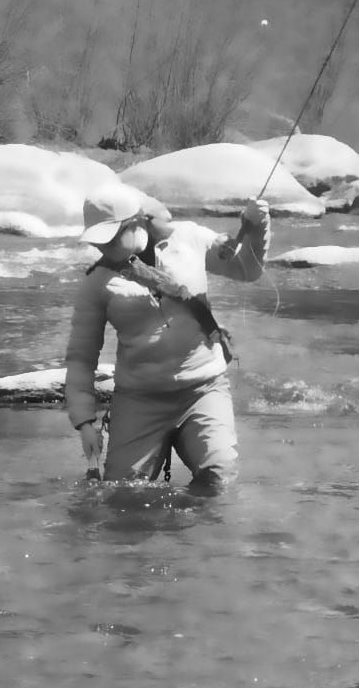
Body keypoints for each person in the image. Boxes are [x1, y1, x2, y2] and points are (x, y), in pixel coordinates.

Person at [63, 183, 270, 488]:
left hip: (204, 389)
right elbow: (81, 358)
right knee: (122, 499)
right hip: (138, 400)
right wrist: (84, 423)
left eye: (110, 238)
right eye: (98, 241)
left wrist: (257, 227)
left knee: (220, 480)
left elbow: (247, 269)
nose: (102, 248)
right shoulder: (97, 282)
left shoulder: (189, 238)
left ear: (137, 222)